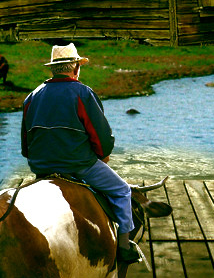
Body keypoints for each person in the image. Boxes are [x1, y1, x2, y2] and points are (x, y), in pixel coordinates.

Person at [21, 43, 142, 264]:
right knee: (122, 191)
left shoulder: (31, 97)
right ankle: (124, 245)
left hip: (41, 167)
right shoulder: (83, 93)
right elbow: (102, 138)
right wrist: (103, 156)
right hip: (79, 165)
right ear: (76, 68)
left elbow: (25, 145)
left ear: (52, 69)